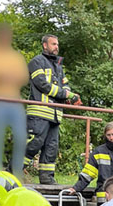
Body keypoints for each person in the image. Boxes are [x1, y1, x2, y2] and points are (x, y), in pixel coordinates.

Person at [24, 34, 81, 184]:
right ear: (45, 45)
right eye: (53, 44)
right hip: (39, 112)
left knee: (51, 148)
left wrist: (70, 96)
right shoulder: (36, 62)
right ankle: (12, 171)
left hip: (55, 114)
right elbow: (43, 85)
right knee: (34, 144)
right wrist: (66, 94)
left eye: (57, 44)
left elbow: (65, 84)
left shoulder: (58, 66)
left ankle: (47, 178)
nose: (57, 47)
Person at [0, 23, 29, 180]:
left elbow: (24, 77)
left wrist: (7, 75)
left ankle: (17, 171)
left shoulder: (16, 56)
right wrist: (9, 75)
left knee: (21, 136)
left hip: (15, 101)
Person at [68, 121, 113, 204]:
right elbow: (88, 174)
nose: (111, 138)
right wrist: (75, 188)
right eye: (108, 135)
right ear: (105, 135)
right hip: (103, 197)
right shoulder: (98, 152)